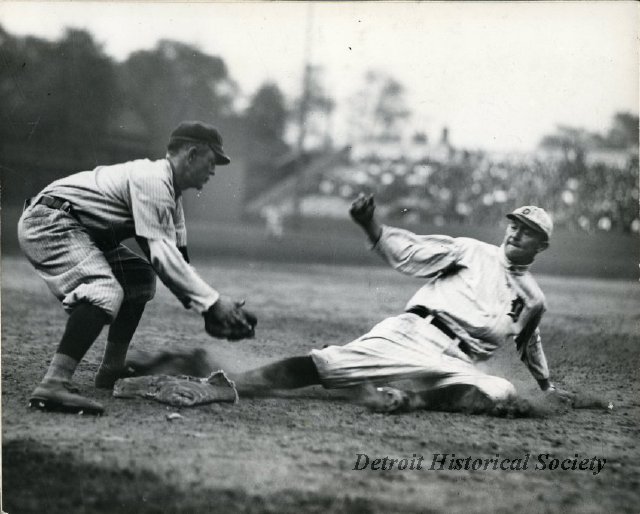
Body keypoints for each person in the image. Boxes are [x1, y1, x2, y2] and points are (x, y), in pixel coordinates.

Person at [224, 193, 572, 413]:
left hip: (458, 364)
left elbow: (530, 344)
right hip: (414, 334)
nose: (515, 233)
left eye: (526, 231)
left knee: (500, 390)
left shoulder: (533, 298)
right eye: (514, 225)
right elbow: (412, 252)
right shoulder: (472, 251)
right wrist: (372, 227)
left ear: (541, 246)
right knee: (328, 365)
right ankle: (233, 381)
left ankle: (407, 399)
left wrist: (546, 388)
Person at [18, 120, 257, 415]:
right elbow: (162, 256)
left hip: (77, 228)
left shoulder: (170, 195)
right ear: (192, 153)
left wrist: (208, 311)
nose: (213, 171)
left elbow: (178, 263)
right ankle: (53, 384)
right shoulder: (153, 179)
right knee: (103, 291)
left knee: (138, 278)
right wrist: (213, 303)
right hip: (50, 221)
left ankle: (111, 371)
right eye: (212, 161)